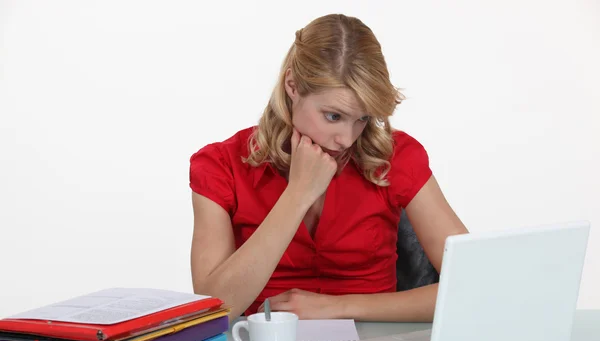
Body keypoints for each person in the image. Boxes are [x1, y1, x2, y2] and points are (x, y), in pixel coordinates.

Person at [189, 14, 468, 322]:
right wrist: (297, 194)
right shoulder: (221, 165)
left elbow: (473, 284)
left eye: (362, 119)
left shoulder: (396, 156)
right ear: (293, 85)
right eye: (333, 116)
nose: (346, 139)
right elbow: (211, 314)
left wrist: (338, 307)